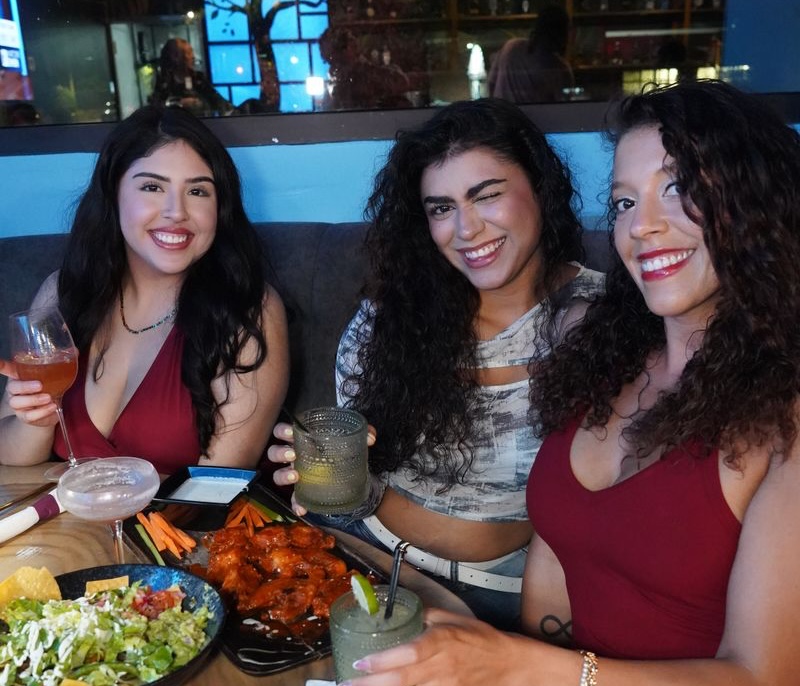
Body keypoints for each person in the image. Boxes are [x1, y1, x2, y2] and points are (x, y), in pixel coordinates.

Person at [337, 80, 800, 686]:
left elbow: (763, 677)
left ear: (757, 200)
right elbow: (554, 563)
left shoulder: (784, 413)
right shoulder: (608, 353)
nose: (643, 227)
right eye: (625, 204)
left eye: (678, 188)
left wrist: (518, 664)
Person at [269, 97, 604, 629]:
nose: (466, 229)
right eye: (441, 208)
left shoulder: (598, 323)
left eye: (487, 196)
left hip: (498, 594)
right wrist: (337, 475)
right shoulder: (390, 318)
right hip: (369, 557)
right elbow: (356, 487)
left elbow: (597, 516)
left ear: (539, 189)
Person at [0, 105, 289, 475]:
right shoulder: (62, 294)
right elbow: (11, 456)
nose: (176, 212)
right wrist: (34, 421)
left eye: (198, 191)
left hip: (184, 530)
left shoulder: (250, 310)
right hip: (74, 527)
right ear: (113, 193)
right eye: (152, 187)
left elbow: (217, 486)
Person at [488, 4, 574, 104]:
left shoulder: (511, 46)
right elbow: (562, 108)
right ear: (563, 35)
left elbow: (491, 83)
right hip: (534, 119)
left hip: (500, 117)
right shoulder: (561, 70)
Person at [318, 26, 411, 110]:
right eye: (328, 58)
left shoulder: (365, 72)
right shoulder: (337, 82)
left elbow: (401, 82)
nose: (356, 43)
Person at [150, 38, 233, 117]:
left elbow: (216, 100)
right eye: (188, 53)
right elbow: (155, 107)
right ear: (176, 57)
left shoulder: (198, 79)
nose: (192, 57)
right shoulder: (164, 81)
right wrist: (179, 103)